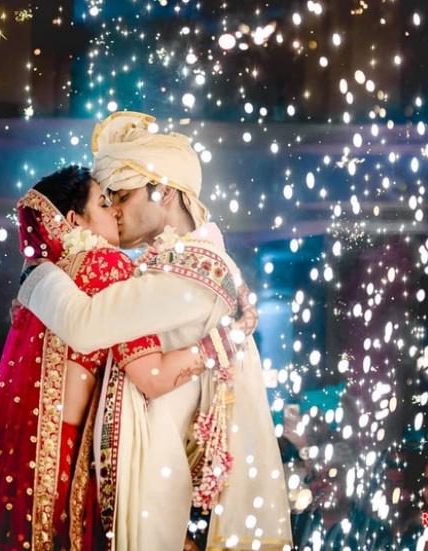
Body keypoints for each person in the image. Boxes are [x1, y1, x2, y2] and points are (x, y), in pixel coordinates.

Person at [17, 112, 291, 550]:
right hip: (135, 481)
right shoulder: (167, 267)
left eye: (120, 197)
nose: (114, 211)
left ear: (161, 192)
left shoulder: (198, 272)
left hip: (149, 486)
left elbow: (88, 325)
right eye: (106, 200)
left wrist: (36, 277)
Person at [0, 166, 228, 550]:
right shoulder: (108, 267)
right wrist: (219, 345)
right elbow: (153, 375)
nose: (116, 212)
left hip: (25, 456)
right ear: (74, 220)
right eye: (104, 203)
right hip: (68, 465)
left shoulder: (48, 277)